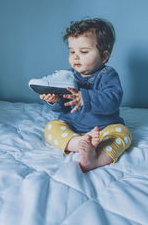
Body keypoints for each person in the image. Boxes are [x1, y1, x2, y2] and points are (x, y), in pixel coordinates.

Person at [41, 18, 132, 172]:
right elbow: (62, 108)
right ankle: (79, 143)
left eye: (83, 52)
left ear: (103, 56)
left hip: (103, 128)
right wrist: (54, 101)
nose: (76, 57)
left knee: (123, 134)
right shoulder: (67, 76)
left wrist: (85, 98)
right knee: (51, 127)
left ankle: (97, 159)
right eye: (72, 51)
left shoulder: (107, 74)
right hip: (73, 127)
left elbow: (113, 100)